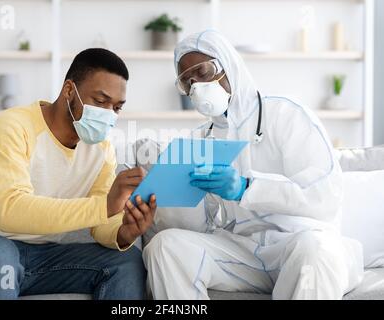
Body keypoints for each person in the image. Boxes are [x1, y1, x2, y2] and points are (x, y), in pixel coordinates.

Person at [143, 30, 363, 300]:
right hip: (244, 250)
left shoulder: (286, 114)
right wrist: (165, 197)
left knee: (314, 251)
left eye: (203, 72)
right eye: (187, 81)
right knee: (165, 246)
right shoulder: (200, 140)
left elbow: (325, 194)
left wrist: (246, 187)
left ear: (228, 65)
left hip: (301, 241)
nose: (196, 85)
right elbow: (199, 227)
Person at [0, 48, 156, 300]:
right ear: (69, 90)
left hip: (39, 259)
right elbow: (10, 211)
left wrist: (123, 232)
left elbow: (100, 223)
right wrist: (105, 206)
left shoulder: (102, 149)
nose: (108, 114)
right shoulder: (12, 127)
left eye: (116, 107)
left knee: (126, 260)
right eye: (100, 101)